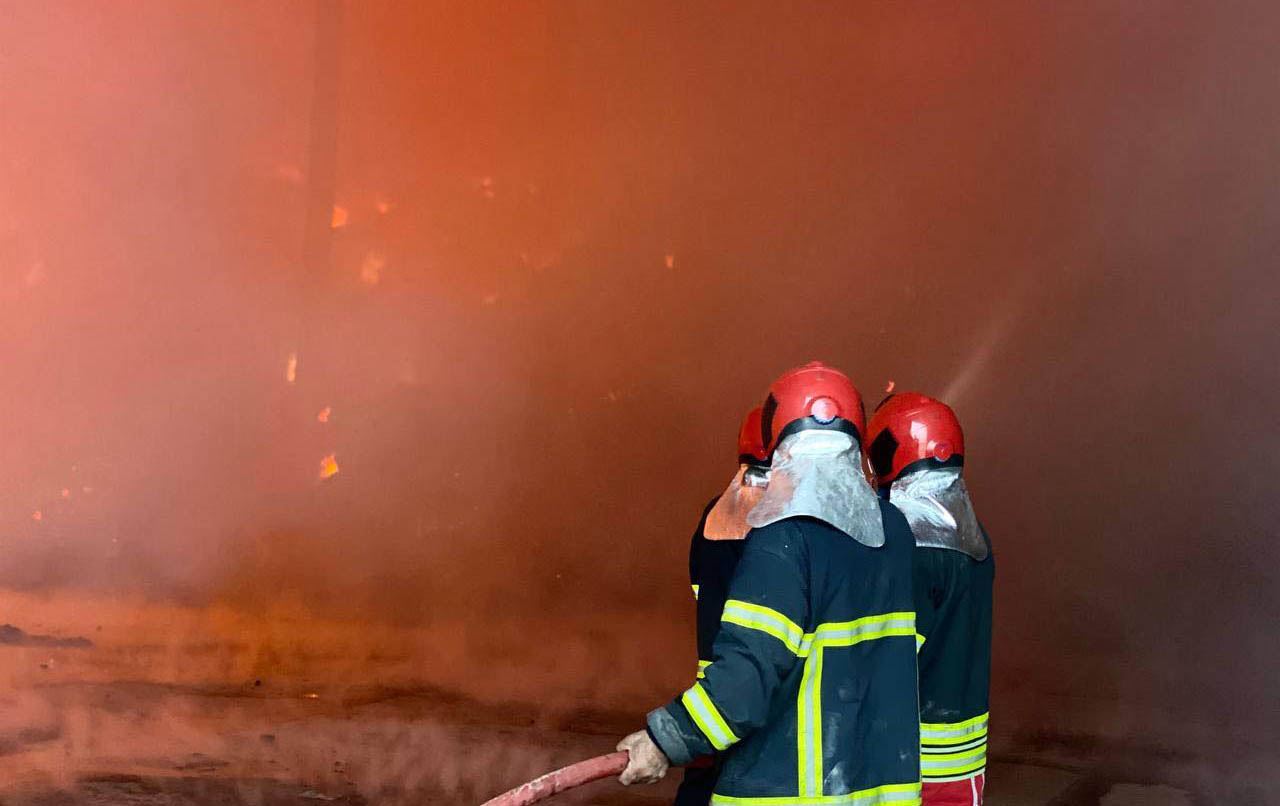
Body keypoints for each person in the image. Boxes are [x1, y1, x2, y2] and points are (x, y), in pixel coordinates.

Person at [618, 362, 921, 806]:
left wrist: (665, 739)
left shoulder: (783, 540)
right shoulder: (893, 530)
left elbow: (746, 679)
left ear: (779, 438)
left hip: (791, 789)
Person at [867, 393, 993, 805]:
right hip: (964, 761)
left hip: (910, 762)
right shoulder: (972, 537)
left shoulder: (913, 547)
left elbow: (888, 655)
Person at [677, 406, 771, 806]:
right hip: (767, 710)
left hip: (712, 701)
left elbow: (701, 590)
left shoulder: (714, 517)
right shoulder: (792, 529)